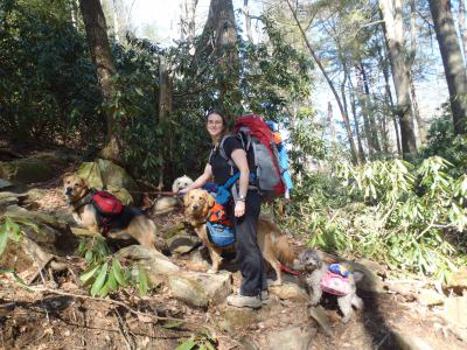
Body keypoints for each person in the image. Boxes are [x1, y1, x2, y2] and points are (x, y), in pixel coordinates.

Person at [180, 110, 266, 309]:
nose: (213, 124)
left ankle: (250, 293)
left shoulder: (230, 142)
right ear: (206, 124)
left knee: (245, 245)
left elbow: (244, 169)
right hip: (233, 199)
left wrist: (242, 200)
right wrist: (187, 189)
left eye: (217, 121)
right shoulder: (215, 149)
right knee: (247, 242)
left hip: (244, 197)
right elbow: (205, 176)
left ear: (224, 124)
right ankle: (262, 290)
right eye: (210, 121)